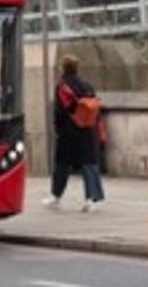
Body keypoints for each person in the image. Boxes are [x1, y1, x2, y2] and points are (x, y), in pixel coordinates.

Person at [43, 54, 105, 212]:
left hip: (68, 132)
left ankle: (56, 197)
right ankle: (92, 199)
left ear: (63, 68)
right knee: (89, 165)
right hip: (87, 131)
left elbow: (60, 112)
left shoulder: (62, 87)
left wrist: (57, 129)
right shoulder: (87, 85)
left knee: (62, 165)